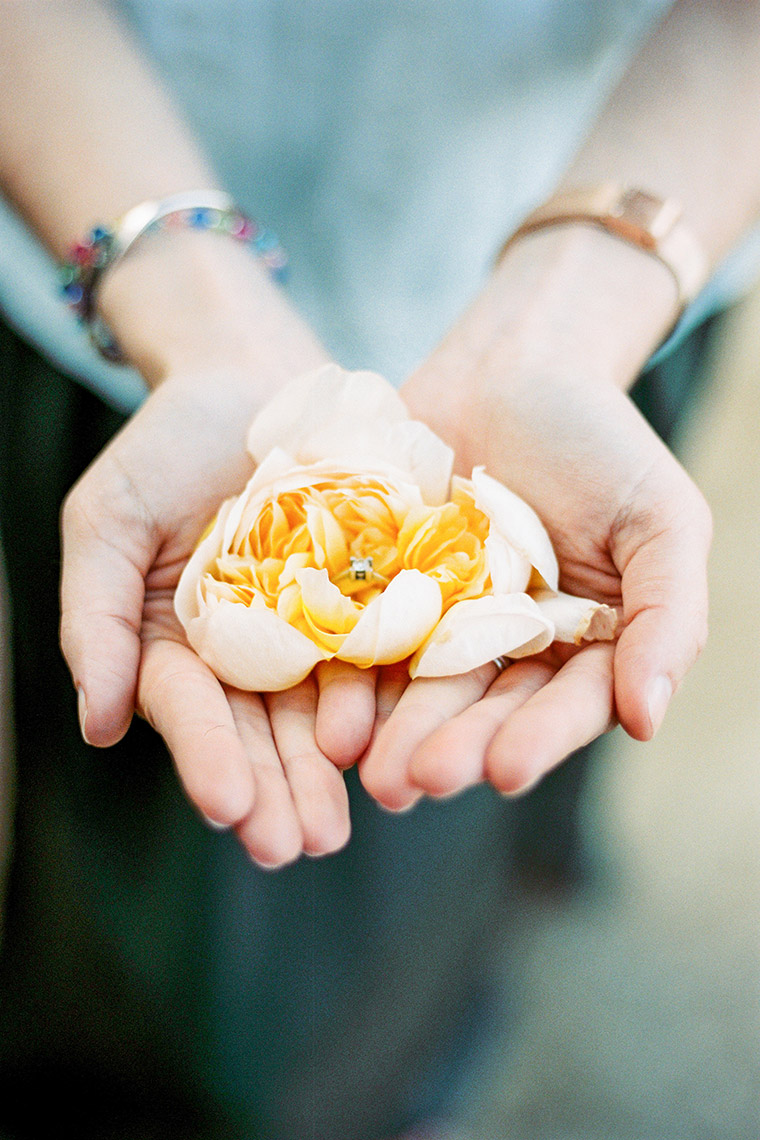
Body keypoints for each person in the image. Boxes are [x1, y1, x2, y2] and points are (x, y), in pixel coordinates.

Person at [0, 2, 758, 1137]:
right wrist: (187, 311)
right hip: (100, 223)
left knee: (555, 672)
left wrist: (580, 303)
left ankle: (521, 890)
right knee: (219, 985)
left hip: (638, 247)